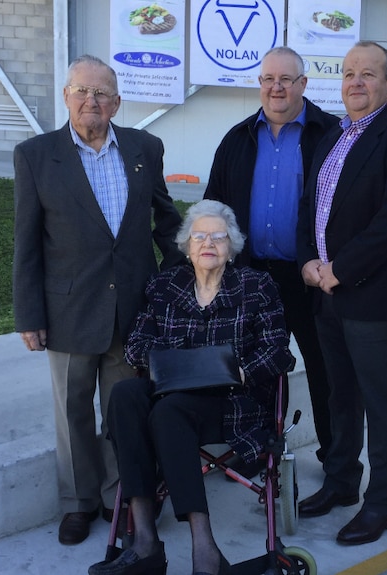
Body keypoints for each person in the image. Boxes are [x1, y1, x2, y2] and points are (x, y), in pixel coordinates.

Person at [13, 54, 184, 546]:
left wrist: (174, 280)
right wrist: (29, 314)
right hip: (67, 309)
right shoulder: (35, 155)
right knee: (72, 413)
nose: (92, 101)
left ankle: (119, 497)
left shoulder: (144, 147)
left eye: (102, 93)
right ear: (66, 96)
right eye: (82, 91)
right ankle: (78, 502)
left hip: (132, 311)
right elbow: (26, 244)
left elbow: (166, 221)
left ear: (117, 101)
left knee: (122, 411)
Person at [88, 200, 296, 575]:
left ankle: (205, 548)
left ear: (231, 245)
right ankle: (145, 539)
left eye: (219, 236)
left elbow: (278, 352)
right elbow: (137, 343)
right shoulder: (165, 285)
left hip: (233, 403)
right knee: (124, 395)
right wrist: (170, 366)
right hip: (171, 393)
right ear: (186, 244)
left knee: (169, 410)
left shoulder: (256, 286)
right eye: (199, 235)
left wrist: (237, 372)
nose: (208, 243)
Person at [295, 41, 387, 545]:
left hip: (373, 298)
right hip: (326, 293)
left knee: (380, 402)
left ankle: (382, 504)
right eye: (350, 73)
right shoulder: (332, 135)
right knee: (340, 397)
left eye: (369, 74)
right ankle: (341, 483)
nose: (356, 81)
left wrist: (340, 269)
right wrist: (309, 260)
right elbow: (312, 206)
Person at [203, 46, 339, 466]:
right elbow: (214, 208)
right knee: (251, 370)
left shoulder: (330, 135)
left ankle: (336, 460)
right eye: (268, 79)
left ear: (303, 84)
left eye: (286, 79)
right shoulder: (237, 138)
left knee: (324, 370)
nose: (276, 87)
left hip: (309, 279)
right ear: (259, 84)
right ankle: (251, 450)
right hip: (250, 277)